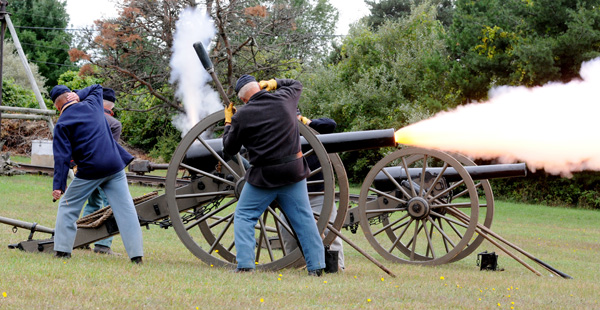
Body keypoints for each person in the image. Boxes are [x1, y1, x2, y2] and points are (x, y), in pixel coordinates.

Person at [222, 75, 325, 276]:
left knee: (244, 215)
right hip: (293, 171)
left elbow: (228, 148)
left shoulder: (241, 116)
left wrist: (228, 122)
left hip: (264, 175)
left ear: (243, 100)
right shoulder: (285, 99)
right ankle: (317, 267)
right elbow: (296, 83)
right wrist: (274, 83)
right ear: (260, 88)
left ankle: (245, 265)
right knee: (304, 219)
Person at [49, 84, 143, 264]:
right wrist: (78, 94)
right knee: (126, 210)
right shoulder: (92, 104)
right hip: (115, 166)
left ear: (56, 106)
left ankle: (62, 252)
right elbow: (97, 87)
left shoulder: (62, 123)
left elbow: (61, 158)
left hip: (90, 170)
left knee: (67, 208)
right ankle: (136, 256)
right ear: (71, 95)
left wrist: (58, 187)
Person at [280, 112, 345, 271]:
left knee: (330, 233)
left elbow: (330, 124)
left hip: (318, 194)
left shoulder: (312, 130)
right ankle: (296, 266)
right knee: (288, 234)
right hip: (290, 195)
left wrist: (305, 123)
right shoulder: (278, 134)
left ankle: (337, 267)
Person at [80, 87, 122, 255]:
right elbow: (113, 150)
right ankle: (103, 245)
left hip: (86, 169)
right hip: (105, 171)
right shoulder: (114, 124)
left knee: (92, 204)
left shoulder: (86, 118)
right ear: (111, 107)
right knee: (111, 205)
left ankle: (81, 238)